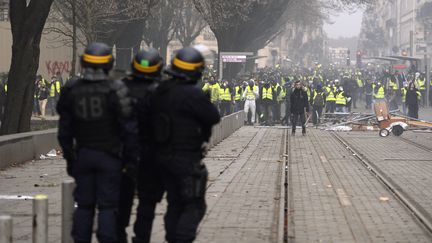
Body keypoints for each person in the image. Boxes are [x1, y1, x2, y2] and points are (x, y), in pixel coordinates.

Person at [57, 42, 138, 243]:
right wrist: (129, 160)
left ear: (84, 62)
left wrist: (70, 157)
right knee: (108, 206)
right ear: (109, 64)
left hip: (83, 154)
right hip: (110, 156)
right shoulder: (116, 89)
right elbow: (129, 129)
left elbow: (64, 131)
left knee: (84, 206)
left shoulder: (72, 89)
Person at [143, 46, 220, 243]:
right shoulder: (193, 95)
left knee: (174, 202)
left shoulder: (159, 91)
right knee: (193, 205)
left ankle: (171, 238)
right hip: (185, 159)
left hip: (160, 158)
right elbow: (213, 116)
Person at [117, 49, 164, 243]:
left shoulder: (119, 89)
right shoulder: (161, 92)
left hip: (122, 153)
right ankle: (141, 237)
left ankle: (119, 233)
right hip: (151, 154)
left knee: (121, 198)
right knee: (147, 201)